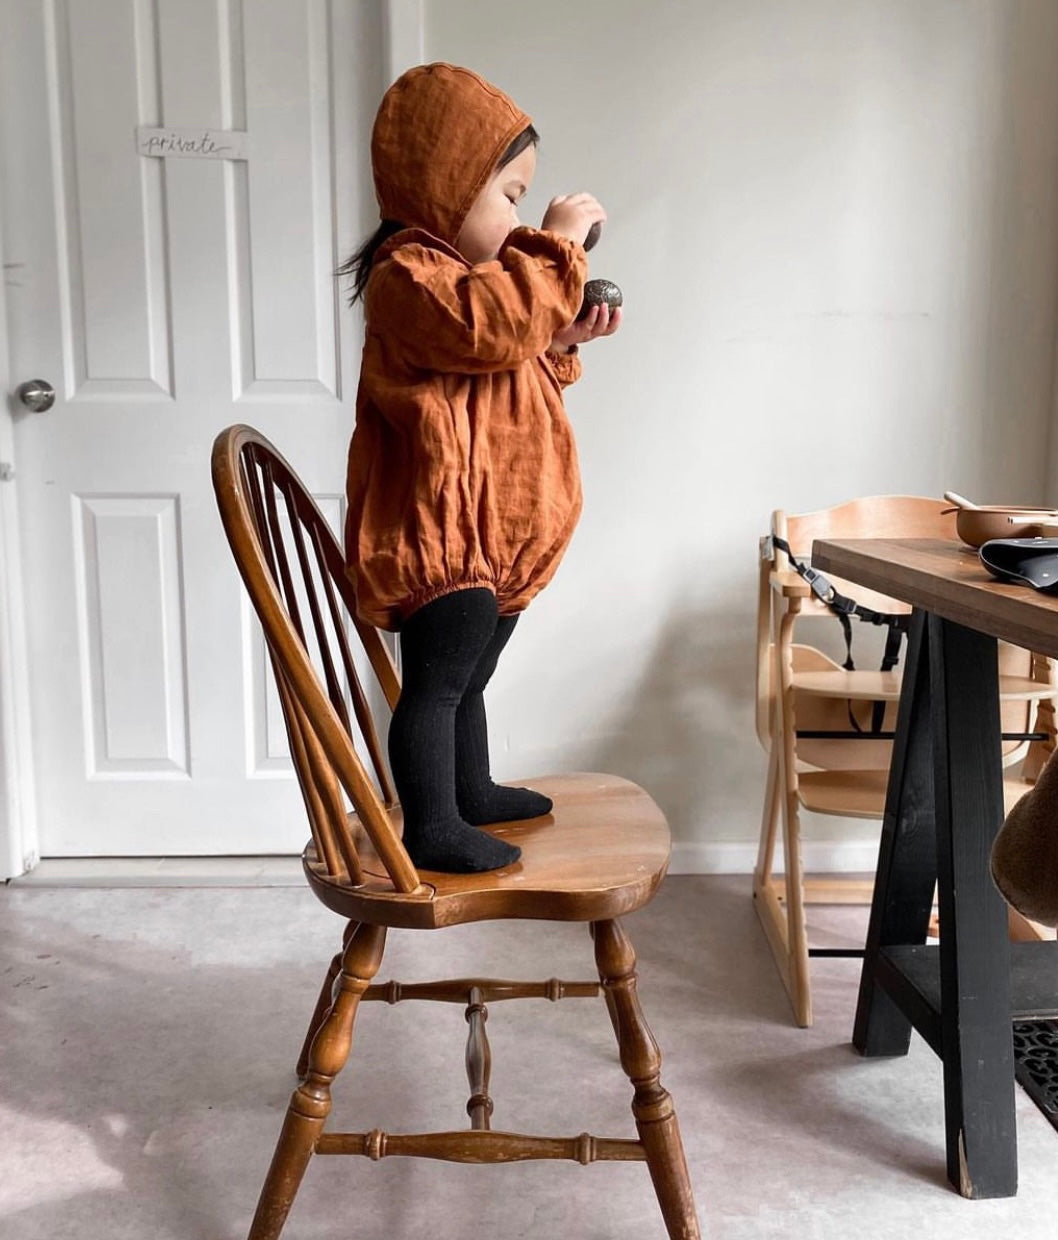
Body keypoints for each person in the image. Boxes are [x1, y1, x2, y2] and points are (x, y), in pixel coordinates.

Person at [341, 62, 620, 874]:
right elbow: (485, 332)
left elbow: (504, 364)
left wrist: (558, 340)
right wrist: (556, 247)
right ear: (445, 184)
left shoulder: (478, 287)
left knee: (471, 675)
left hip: (494, 538)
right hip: (443, 534)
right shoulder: (411, 279)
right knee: (439, 680)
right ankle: (431, 824)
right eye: (510, 196)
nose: (519, 219)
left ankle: (470, 788)